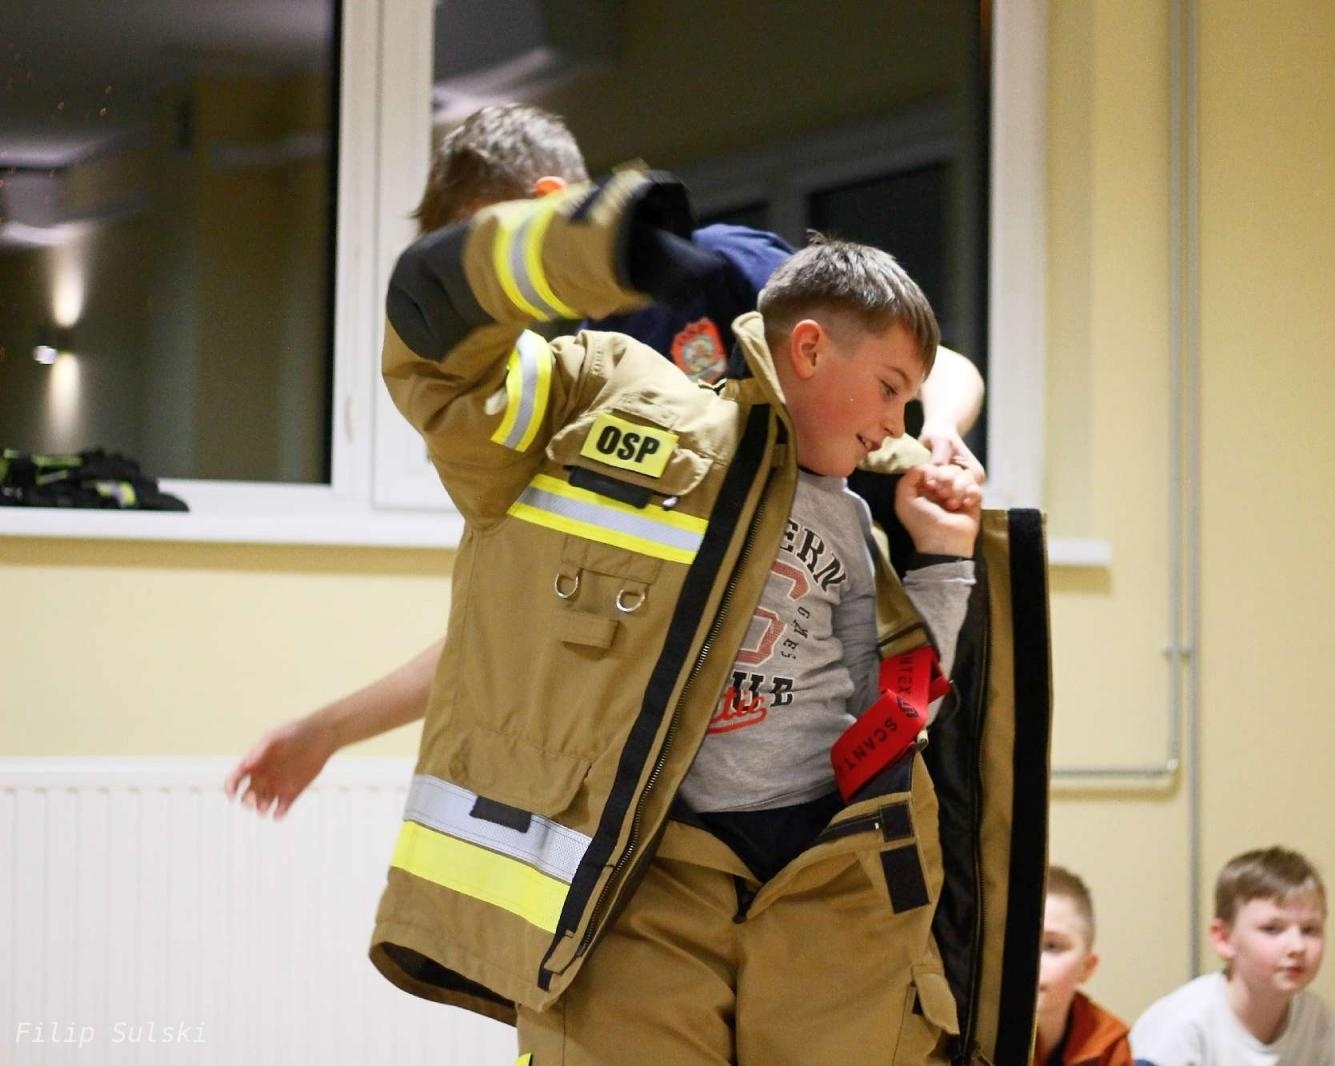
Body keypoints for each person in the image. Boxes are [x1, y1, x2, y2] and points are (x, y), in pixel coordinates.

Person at [366, 168, 986, 1064]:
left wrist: (945, 557)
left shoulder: (857, 518)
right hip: (654, 875)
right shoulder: (622, 404)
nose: (898, 418)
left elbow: (899, 703)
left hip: (824, 866)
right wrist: (578, 249)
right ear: (808, 350)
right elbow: (442, 363)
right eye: (890, 387)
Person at [225, 102, 987, 819]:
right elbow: (517, 616)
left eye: (484, 255)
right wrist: (327, 730)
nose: (484, 294)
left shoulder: (721, 270)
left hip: (883, 642)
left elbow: (941, 367)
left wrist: (940, 431)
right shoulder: (568, 383)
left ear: (547, 209)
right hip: (726, 727)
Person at [1129, 846, 1335, 1066]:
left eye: (1310, 930)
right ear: (1223, 938)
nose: (1297, 946)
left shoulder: (1320, 1021)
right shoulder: (1181, 1025)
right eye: (1272, 929)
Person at [1035, 865, 1132, 1066]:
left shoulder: (1108, 1042)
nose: (1032, 963)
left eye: (1052, 946)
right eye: (1017, 943)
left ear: (1087, 967)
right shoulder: (977, 1034)